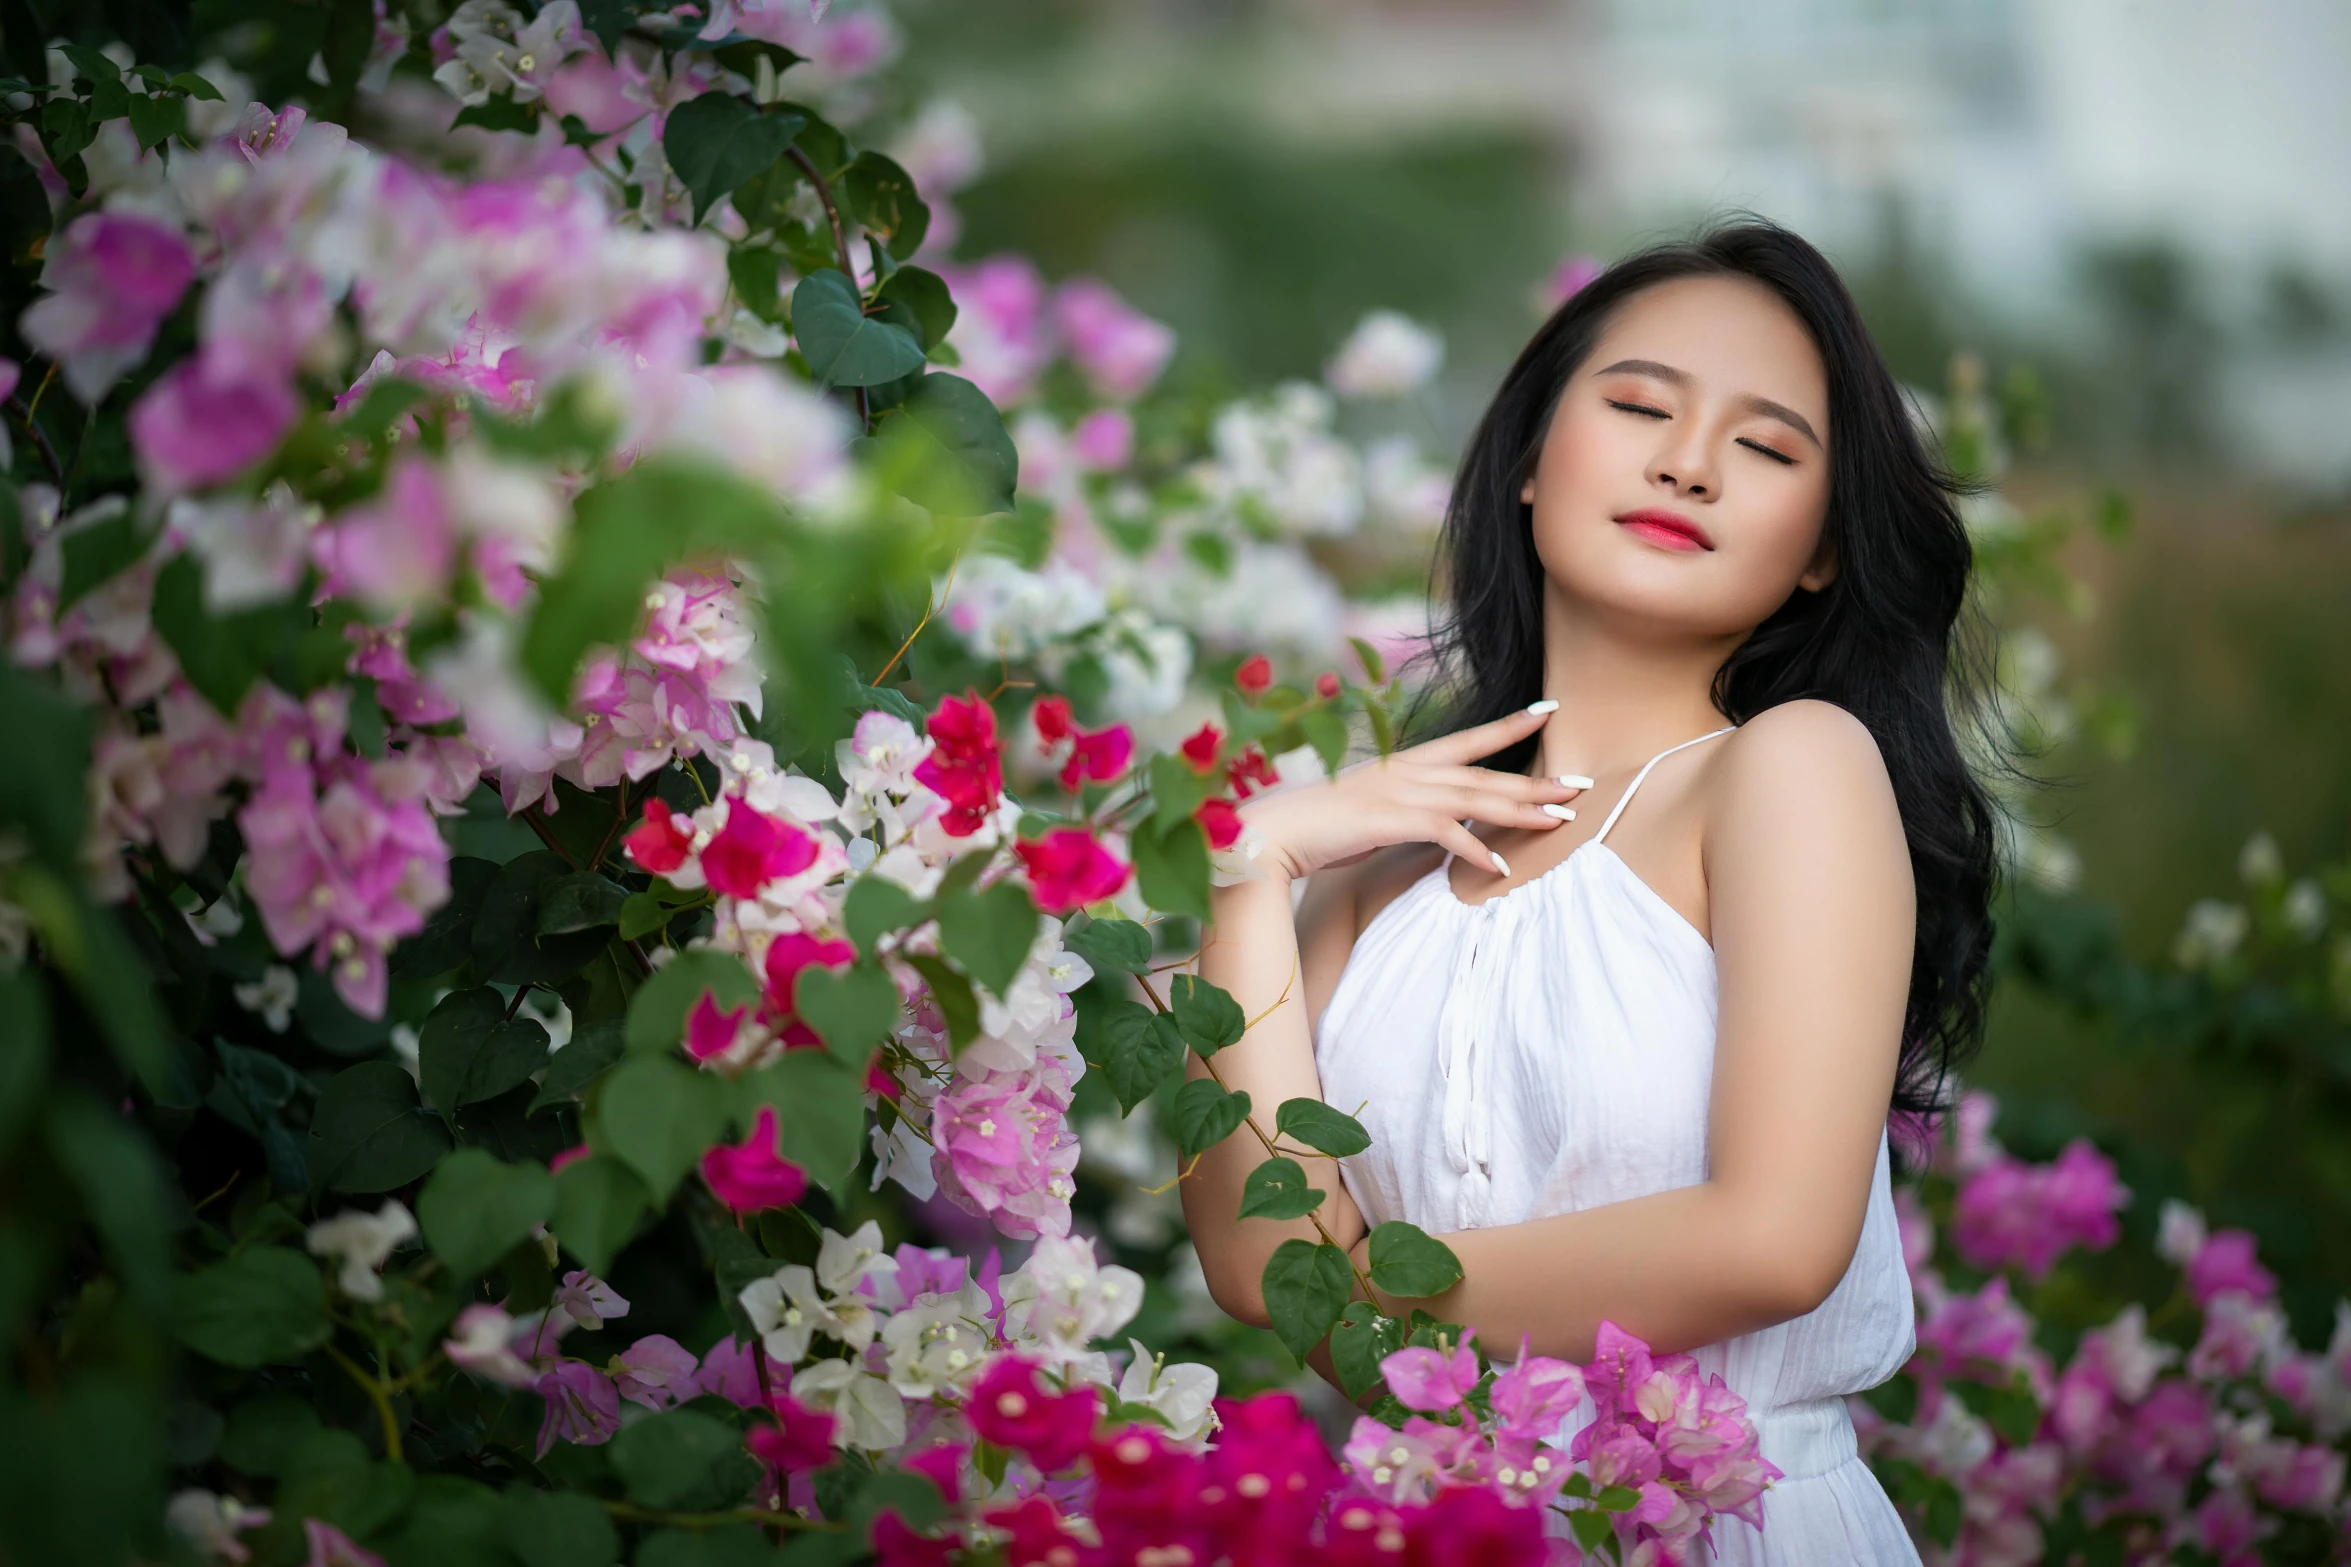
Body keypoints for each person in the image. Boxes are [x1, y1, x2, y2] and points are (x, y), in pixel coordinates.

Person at [1179, 219, 1997, 1564]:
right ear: (1524, 462)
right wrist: (1253, 866)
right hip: (1425, 1532)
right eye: (1637, 406)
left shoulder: (1788, 769)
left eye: (1767, 445)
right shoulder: (1375, 868)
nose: (1687, 460)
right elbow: (1252, 1261)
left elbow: (1773, 1239)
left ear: (1820, 553)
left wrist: (1369, 1298)